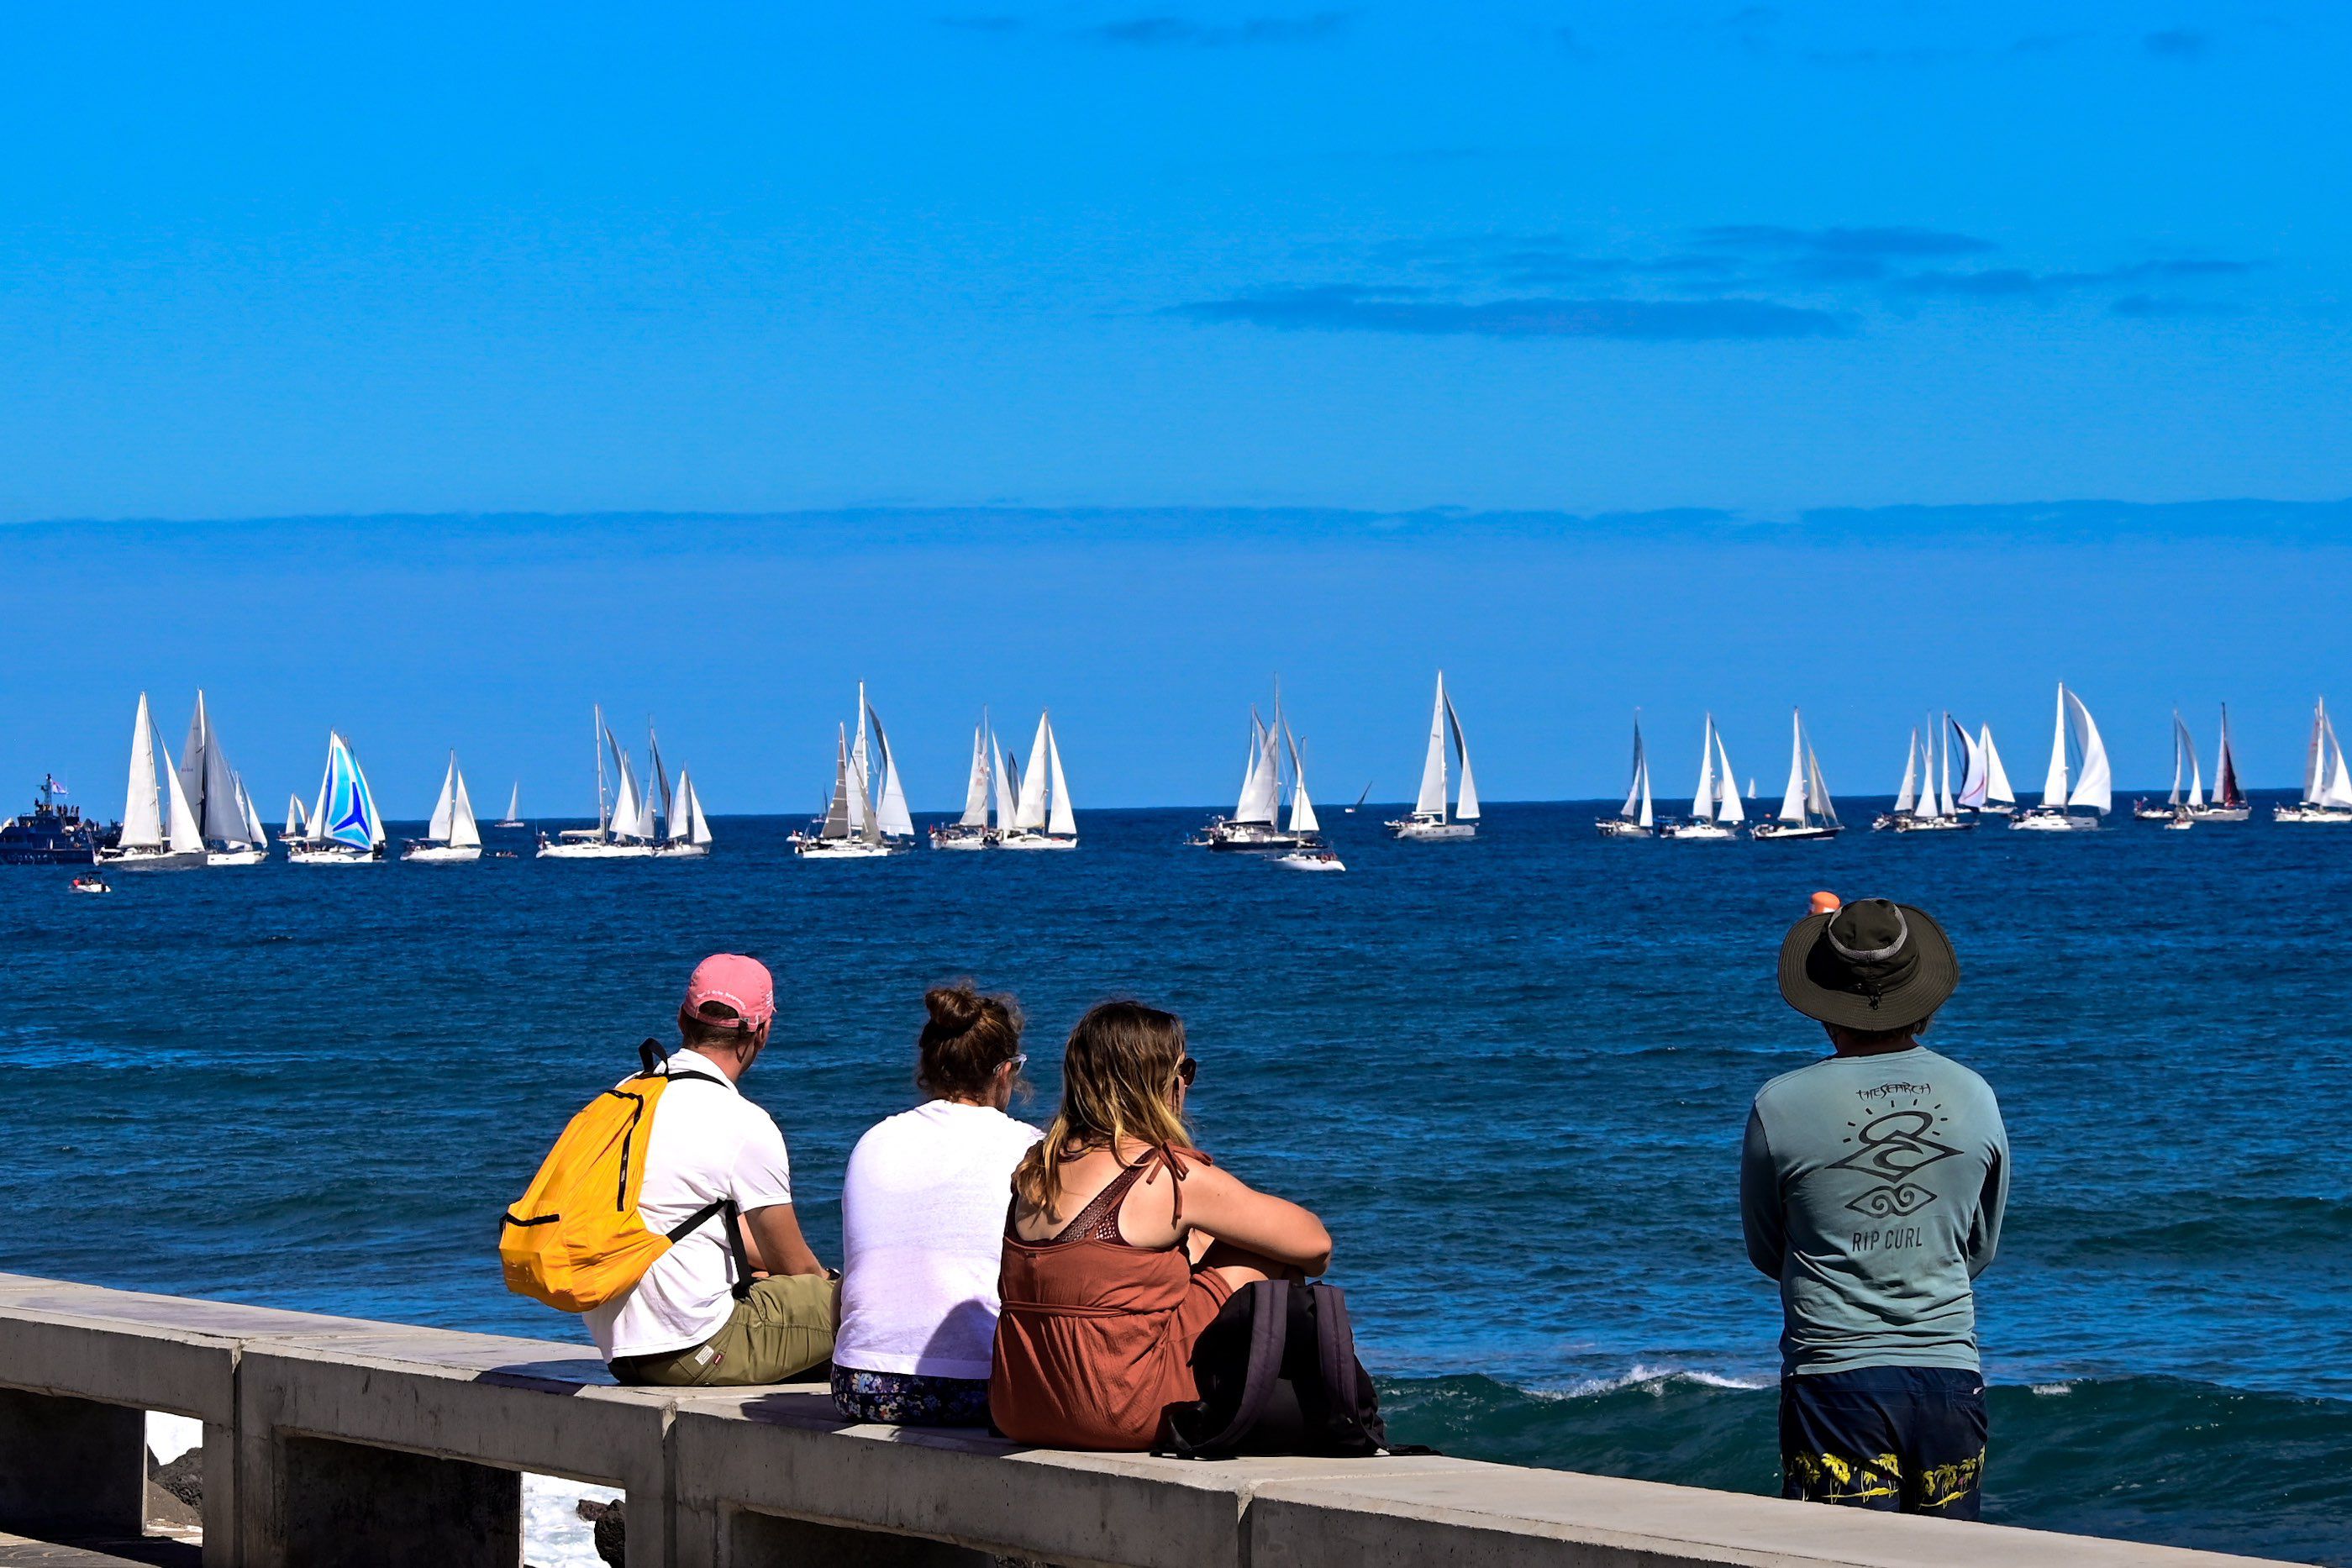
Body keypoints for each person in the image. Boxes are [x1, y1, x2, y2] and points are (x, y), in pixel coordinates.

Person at [1743, 898, 2009, 1519]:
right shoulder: (1974, 1093)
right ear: (1923, 993)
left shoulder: (1779, 1103)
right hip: (1948, 1376)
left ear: (1821, 1000)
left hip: (1833, 1378)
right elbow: (1980, 1247)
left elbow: (1766, 1251)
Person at [991, 1000, 1332, 1451]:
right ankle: (1281, 1420)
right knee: (1263, 1254)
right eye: (1185, 1069)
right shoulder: (1165, 1176)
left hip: (1019, 1409)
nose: (1187, 1083)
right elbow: (1315, 1246)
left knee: (1190, 1243)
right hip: (1121, 1414)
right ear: (1160, 1083)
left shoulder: (1037, 1168)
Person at [589, 955, 839, 1386]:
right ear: (761, 1032)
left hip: (622, 1353)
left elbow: (674, 1217)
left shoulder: (627, 1096)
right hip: (696, 1348)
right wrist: (829, 1285)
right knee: (859, 1303)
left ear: (683, 1020)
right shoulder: (741, 1121)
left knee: (767, 1282)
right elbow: (794, 1266)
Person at [832, 983, 1042, 1425]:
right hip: (979, 1389)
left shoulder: (873, 1140)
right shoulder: (1028, 1149)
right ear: (1003, 1072)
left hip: (858, 1385)